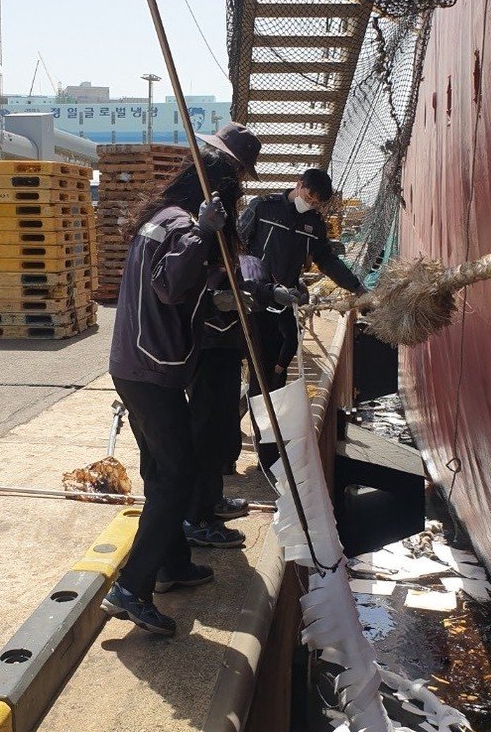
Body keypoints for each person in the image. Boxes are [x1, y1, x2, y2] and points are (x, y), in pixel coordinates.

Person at [103, 122, 260, 637]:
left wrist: (224, 294)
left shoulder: (161, 217)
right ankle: (133, 587)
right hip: (155, 370)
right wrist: (204, 234)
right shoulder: (182, 225)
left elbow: (178, 289)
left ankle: (171, 566)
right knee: (176, 479)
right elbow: (171, 286)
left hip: (137, 365)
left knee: (162, 470)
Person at [185, 254, 295, 548]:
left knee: (223, 428)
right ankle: (197, 519)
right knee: (205, 433)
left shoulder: (243, 260)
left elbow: (250, 291)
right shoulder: (200, 247)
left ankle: (213, 499)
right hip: (207, 350)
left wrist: (272, 295)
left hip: (227, 350)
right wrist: (218, 300)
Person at [237, 167, 364, 394]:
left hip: (286, 298)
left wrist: (356, 287)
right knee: (260, 363)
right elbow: (235, 245)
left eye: (316, 203)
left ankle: (274, 410)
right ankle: (258, 419)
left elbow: (326, 260)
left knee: (282, 358)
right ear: (299, 184)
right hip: (257, 297)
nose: (310, 204)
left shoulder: (314, 225)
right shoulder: (264, 207)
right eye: (308, 197)